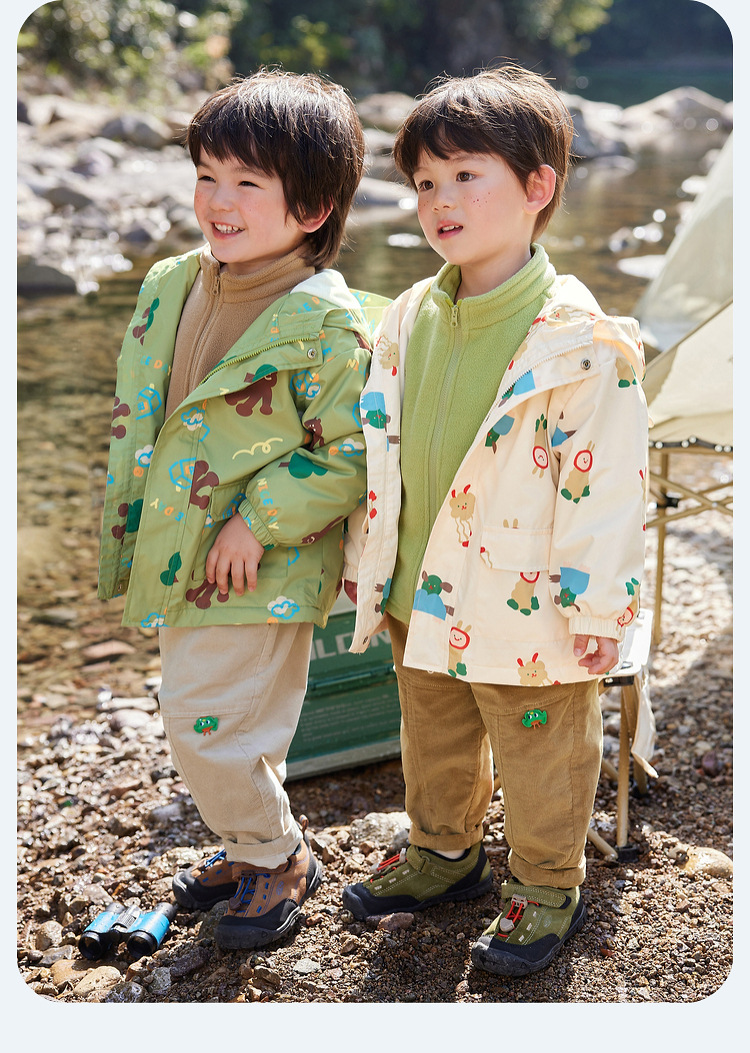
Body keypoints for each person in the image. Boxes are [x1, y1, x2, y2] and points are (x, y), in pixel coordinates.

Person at [341, 65, 649, 977]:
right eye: (425, 181)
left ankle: (548, 882)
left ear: (537, 186)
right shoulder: (411, 314)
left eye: (466, 175)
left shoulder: (580, 341)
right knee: (432, 733)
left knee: (541, 747)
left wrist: (600, 607)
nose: (440, 199)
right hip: (422, 585)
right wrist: (367, 553)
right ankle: (444, 850)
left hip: (529, 601)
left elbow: (609, 488)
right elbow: (385, 446)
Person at [98, 69, 385, 951]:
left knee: (206, 721)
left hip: (261, 560)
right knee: (223, 714)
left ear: (313, 208)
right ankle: (249, 840)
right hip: (182, 543)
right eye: (207, 175)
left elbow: (347, 452)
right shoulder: (178, 281)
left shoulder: (325, 325)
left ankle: (278, 857)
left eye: (248, 183)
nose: (218, 201)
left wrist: (255, 521)